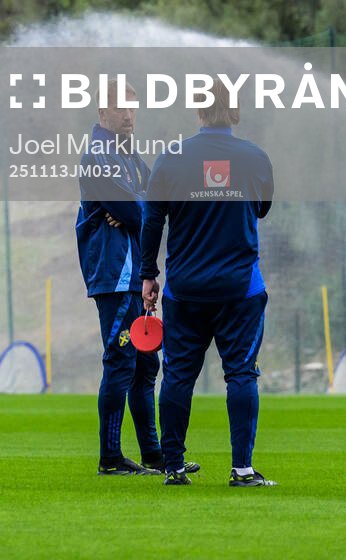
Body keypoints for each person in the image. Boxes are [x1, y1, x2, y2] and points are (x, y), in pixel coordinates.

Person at [139, 99, 276, 488]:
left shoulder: (171, 158)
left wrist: (148, 274)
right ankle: (242, 470)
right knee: (241, 374)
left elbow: (152, 220)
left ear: (199, 113)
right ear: (235, 113)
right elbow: (262, 209)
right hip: (240, 289)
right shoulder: (255, 157)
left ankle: (173, 467)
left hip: (185, 290)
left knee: (178, 376)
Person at [75, 98, 190, 476]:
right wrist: (136, 206)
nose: (128, 115)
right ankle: (110, 458)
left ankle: (153, 454)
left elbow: (156, 207)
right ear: (102, 114)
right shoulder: (98, 155)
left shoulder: (128, 155)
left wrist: (137, 204)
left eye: (132, 107)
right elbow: (135, 211)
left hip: (134, 274)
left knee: (145, 364)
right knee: (122, 360)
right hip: (116, 273)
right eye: (119, 107)